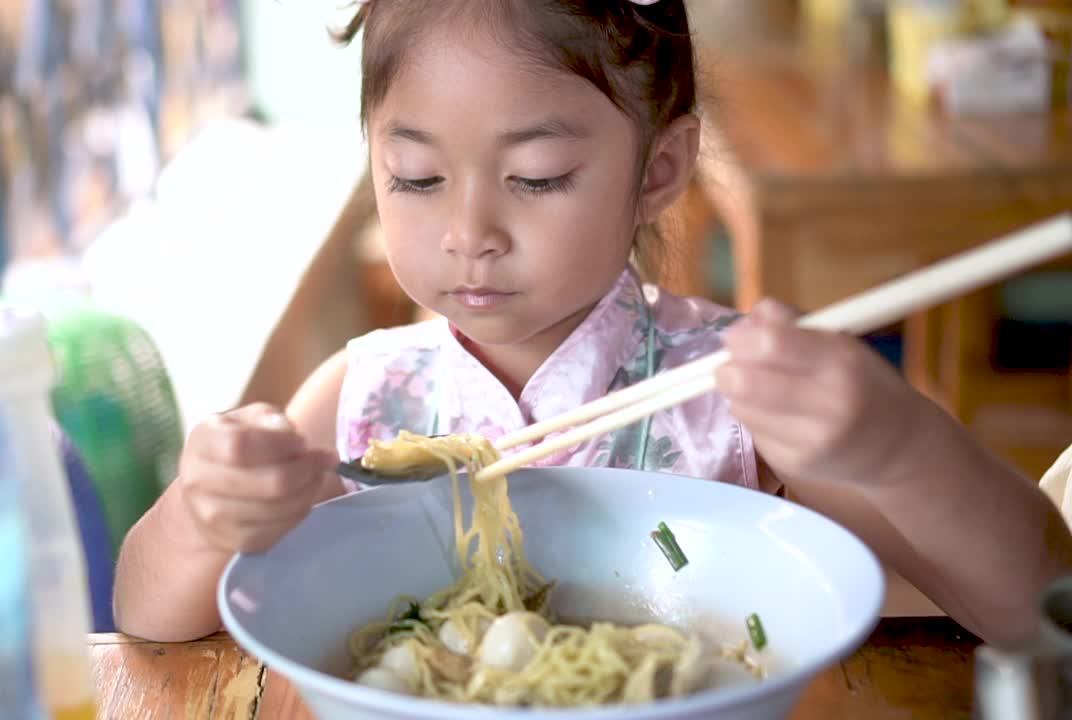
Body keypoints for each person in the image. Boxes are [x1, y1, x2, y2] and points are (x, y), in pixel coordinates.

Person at [113, 0, 1072, 647]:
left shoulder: (729, 398)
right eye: (415, 177)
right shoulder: (364, 397)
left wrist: (893, 442)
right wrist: (203, 514)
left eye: (536, 178)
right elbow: (147, 620)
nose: (468, 234)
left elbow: (1035, 610)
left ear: (657, 169)